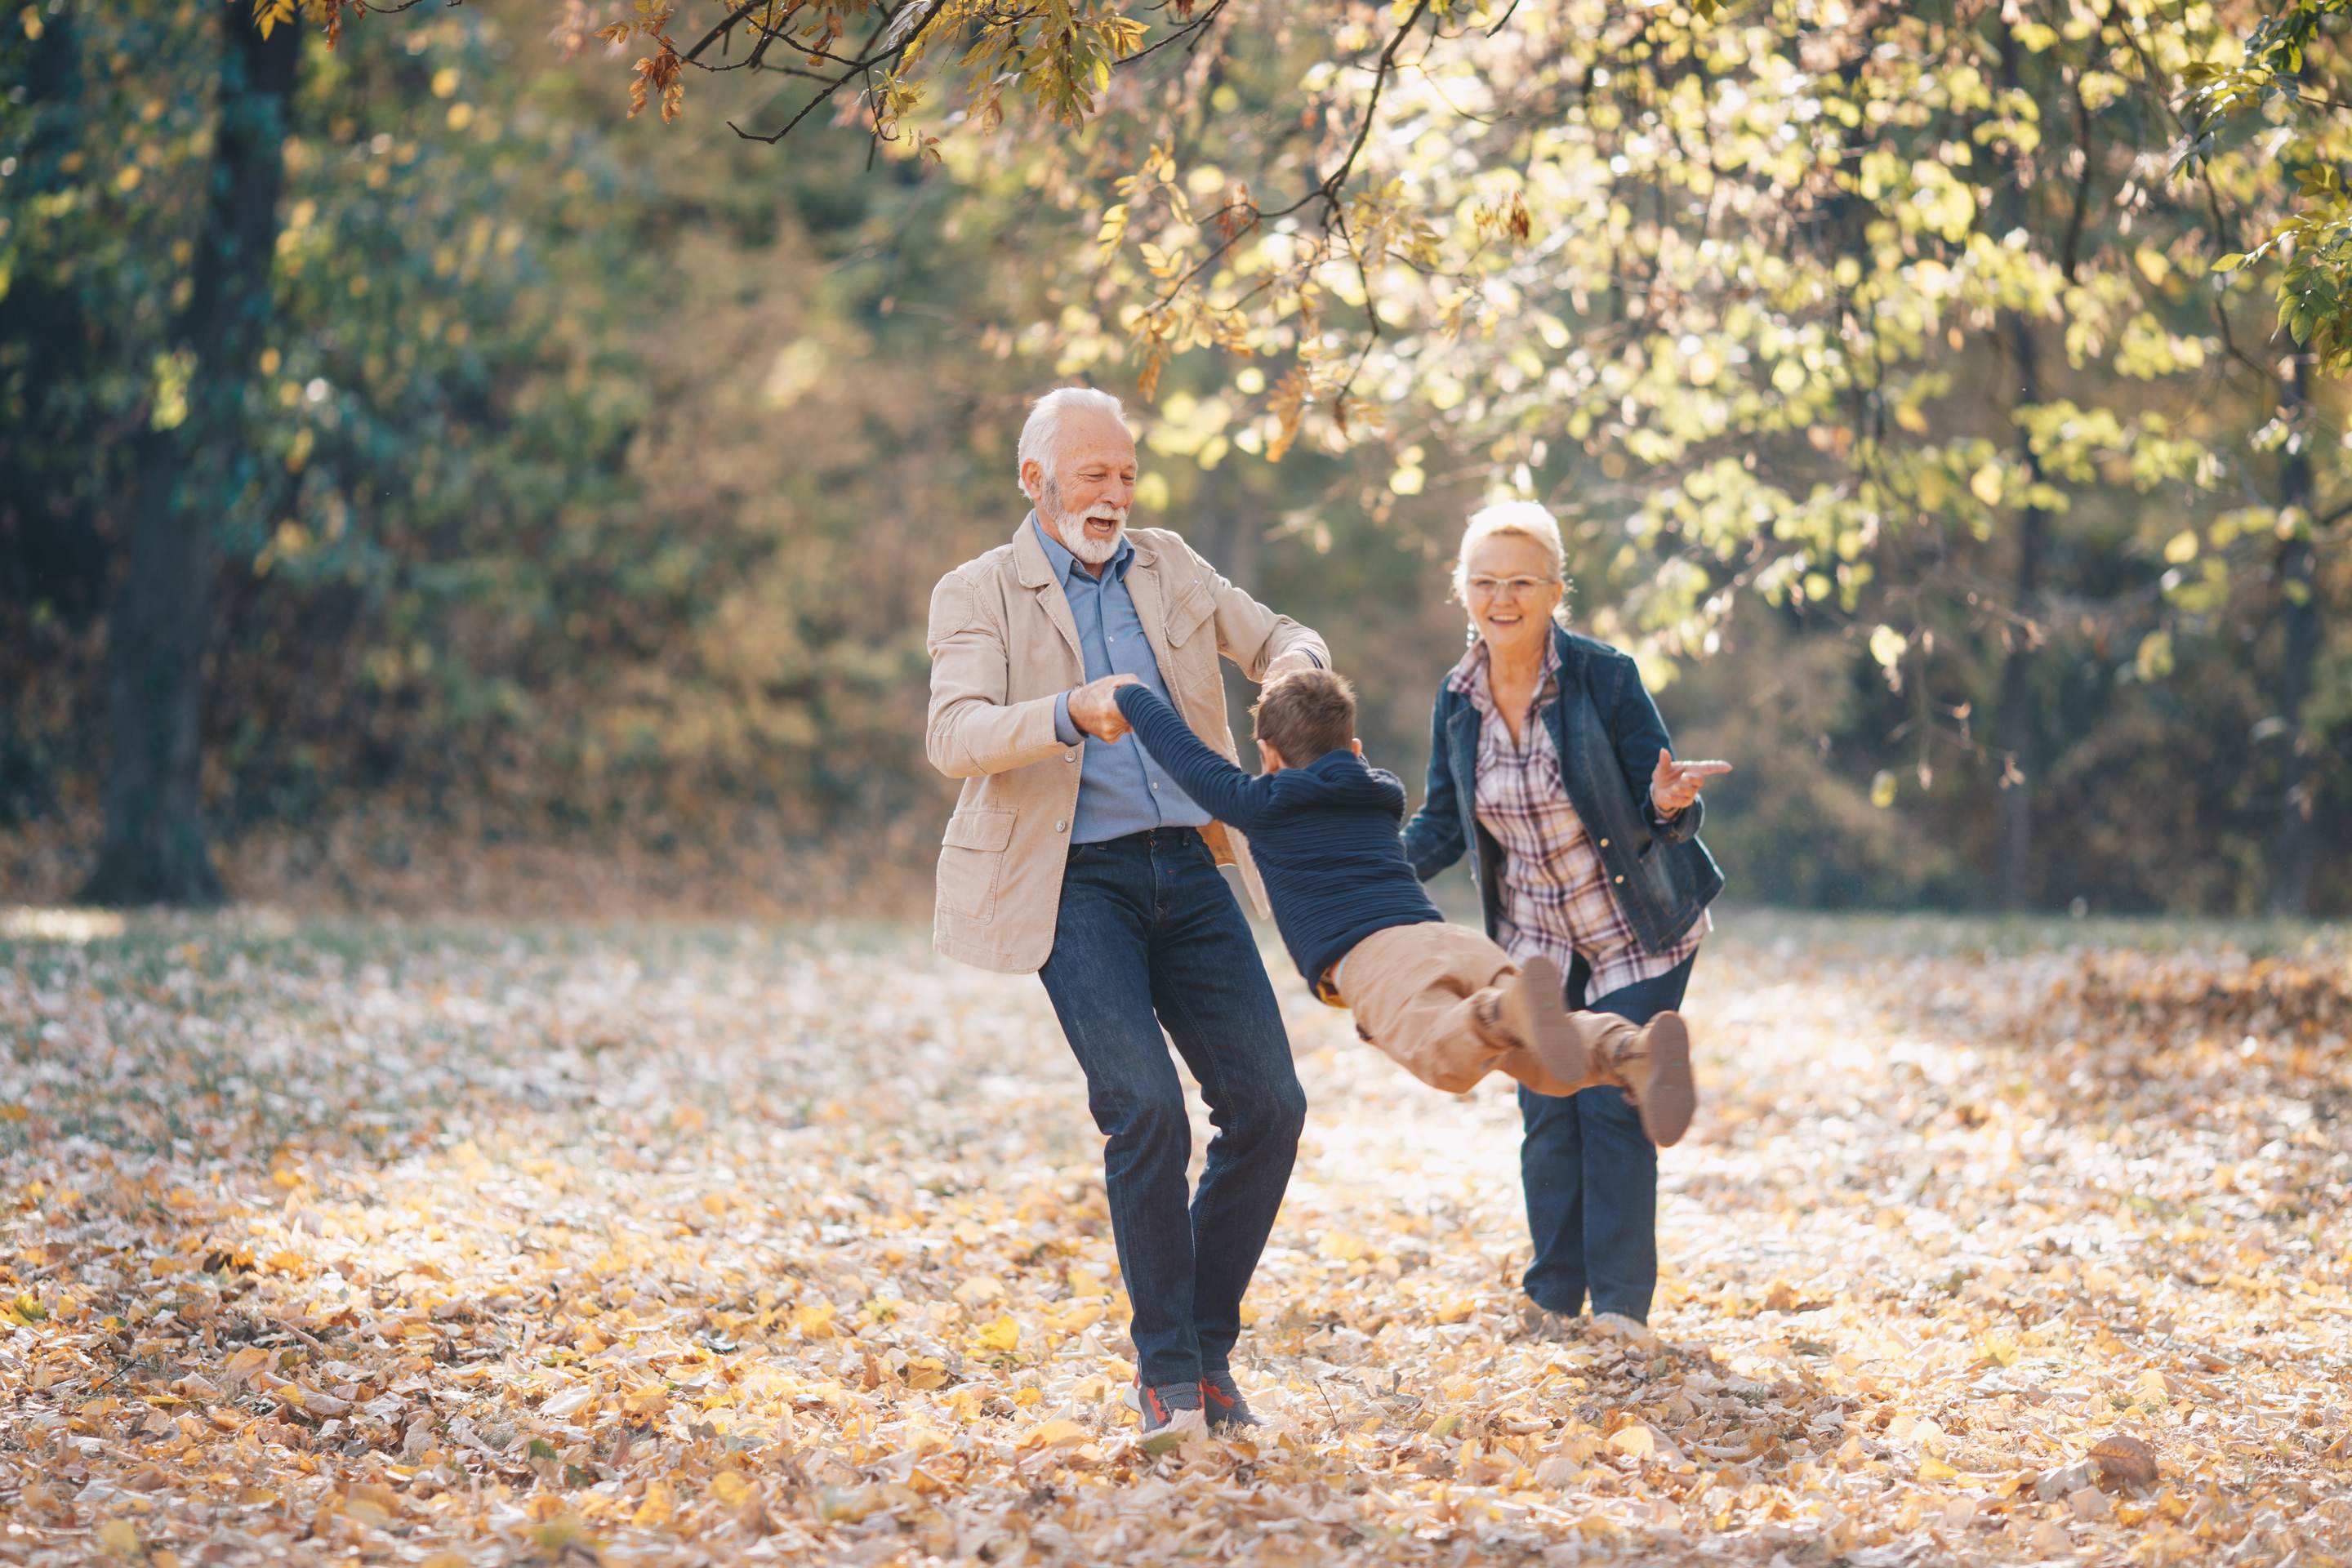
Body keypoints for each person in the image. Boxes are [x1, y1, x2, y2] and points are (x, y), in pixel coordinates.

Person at [924, 386, 1328, 1439]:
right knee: (1143, 1107)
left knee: (1270, 1106)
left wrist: (1294, 678)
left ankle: (1204, 1349)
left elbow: (1284, 633)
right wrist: (1069, 711)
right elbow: (955, 734)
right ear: (1036, 480)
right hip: (1073, 881)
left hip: (1192, 870)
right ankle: (1168, 1376)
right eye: (1092, 474)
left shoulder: (1171, 562)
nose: (1113, 494)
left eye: (1125, 475)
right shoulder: (977, 592)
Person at [1109, 668, 1696, 1136]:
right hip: (1446, 938)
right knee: (1541, 1058)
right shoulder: (1380, 793)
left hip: (1372, 957)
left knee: (1442, 1053)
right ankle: (1631, 1051)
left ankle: (1503, 1010)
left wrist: (1132, 697)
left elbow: (1187, 757)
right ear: (1355, 749)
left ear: (1267, 754)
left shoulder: (1262, 801)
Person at [1401, 502, 1730, 1339]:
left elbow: (1663, 803)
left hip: (1635, 929)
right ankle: (1553, 1297)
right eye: (1484, 582)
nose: (1501, 598)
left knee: (1612, 1104)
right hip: (1535, 943)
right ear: (1462, 593)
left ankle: (1620, 1310)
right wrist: (1369, 875)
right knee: (1546, 1108)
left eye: (1520, 582)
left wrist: (1665, 802)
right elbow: (1445, 823)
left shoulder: (1604, 676)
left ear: (1555, 592)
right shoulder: (1458, 698)